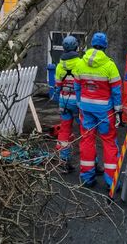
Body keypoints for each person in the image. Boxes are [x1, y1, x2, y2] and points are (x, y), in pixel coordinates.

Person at [74, 31, 122, 188]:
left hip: (86, 109)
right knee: (109, 143)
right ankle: (111, 182)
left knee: (87, 140)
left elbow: (77, 87)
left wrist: (81, 103)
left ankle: (87, 178)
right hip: (105, 111)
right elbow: (116, 91)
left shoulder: (80, 63)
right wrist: (118, 110)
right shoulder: (110, 65)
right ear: (105, 46)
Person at [54, 35, 85, 174]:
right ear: (76, 47)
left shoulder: (60, 65)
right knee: (85, 132)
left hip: (64, 101)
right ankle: (91, 163)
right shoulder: (80, 63)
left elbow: (57, 85)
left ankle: (63, 161)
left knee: (64, 131)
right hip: (78, 103)